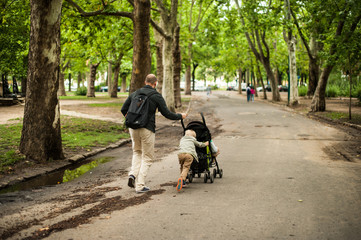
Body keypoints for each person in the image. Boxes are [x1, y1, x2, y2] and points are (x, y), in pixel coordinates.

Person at [121, 74, 187, 193]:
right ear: (155, 83)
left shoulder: (135, 93)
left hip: (133, 128)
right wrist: (180, 116)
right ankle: (140, 185)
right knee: (147, 157)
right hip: (147, 128)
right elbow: (167, 114)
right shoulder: (156, 96)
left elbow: (123, 109)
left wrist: (132, 120)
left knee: (137, 152)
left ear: (145, 81)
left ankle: (132, 174)